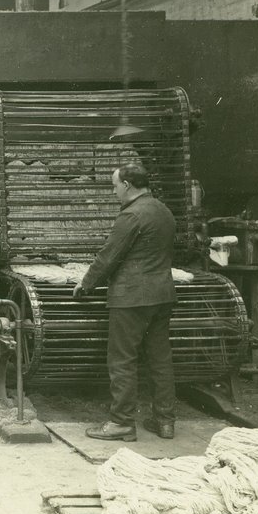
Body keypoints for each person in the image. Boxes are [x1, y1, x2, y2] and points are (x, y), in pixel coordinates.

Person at [73, 162, 177, 441]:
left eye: (115, 186)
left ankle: (121, 423)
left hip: (131, 298)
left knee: (122, 360)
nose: (114, 191)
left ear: (128, 186)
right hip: (162, 294)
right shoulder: (164, 211)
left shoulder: (131, 215)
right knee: (160, 359)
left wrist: (85, 284)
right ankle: (165, 421)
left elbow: (109, 256)